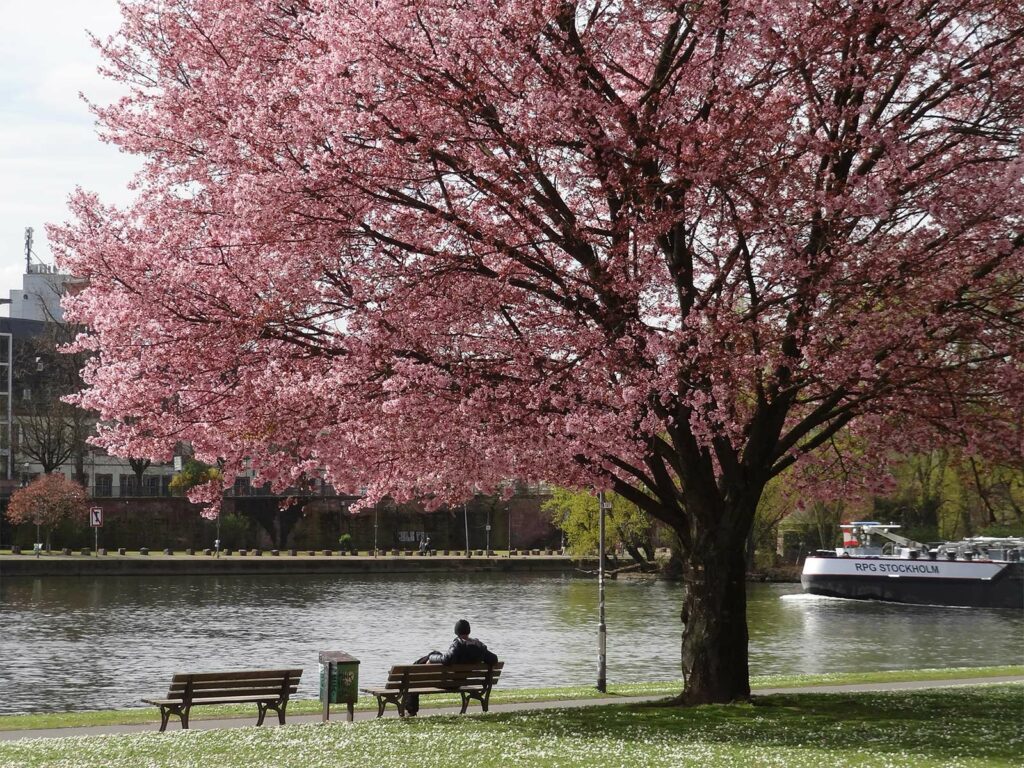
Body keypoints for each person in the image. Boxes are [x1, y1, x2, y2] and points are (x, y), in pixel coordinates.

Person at [405, 619, 498, 716]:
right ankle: (424, 659)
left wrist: (431, 658)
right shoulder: (479, 646)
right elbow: (494, 659)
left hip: (447, 682)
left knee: (413, 678)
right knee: (435, 654)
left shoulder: (458, 644)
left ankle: (411, 711)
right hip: (459, 681)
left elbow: (446, 659)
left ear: (456, 631)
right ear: (469, 631)